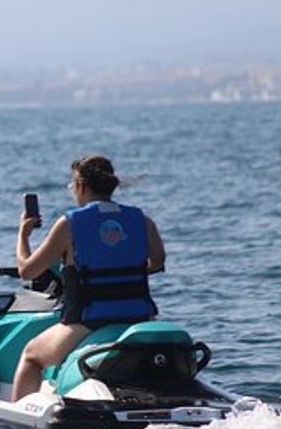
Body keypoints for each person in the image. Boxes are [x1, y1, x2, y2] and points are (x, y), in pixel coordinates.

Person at [11, 155, 166, 401]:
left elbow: (27, 271)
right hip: (139, 317)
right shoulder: (141, 220)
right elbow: (157, 261)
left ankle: (16, 426)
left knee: (31, 356)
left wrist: (23, 234)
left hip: (88, 322)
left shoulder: (70, 224)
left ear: (81, 185)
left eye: (72, 186)